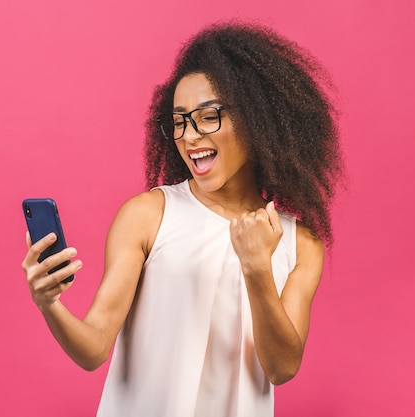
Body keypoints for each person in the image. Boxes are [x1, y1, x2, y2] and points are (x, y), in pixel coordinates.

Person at [21, 21, 343, 417]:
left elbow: (281, 368)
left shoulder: (300, 243)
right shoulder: (148, 214)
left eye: (208, 116)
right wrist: (49, 303)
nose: (189, 137)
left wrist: (257, 267)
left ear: (258, 118)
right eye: (178, 121)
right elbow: (94, 349)